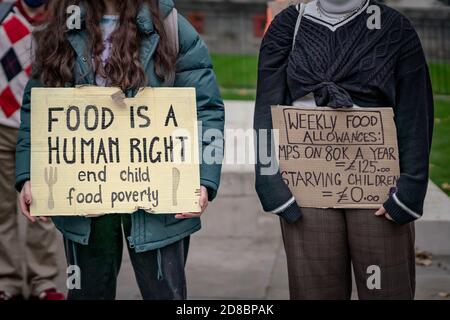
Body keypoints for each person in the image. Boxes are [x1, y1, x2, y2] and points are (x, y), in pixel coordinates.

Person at [15, 0, 224, 300]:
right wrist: (29, 174)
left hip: (158, 202)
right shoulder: (64, 26)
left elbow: (207, 109)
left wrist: (204, 179)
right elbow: (38, 110)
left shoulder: (170, 26)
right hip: (84, 199)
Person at [254, 0, 433, 299]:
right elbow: (266, 110)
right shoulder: (288, 25)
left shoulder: (394, 27)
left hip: (378, 187)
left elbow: (416, 112)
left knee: (385, 292)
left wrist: (410, 189)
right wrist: (269, 179)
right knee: (316, 293)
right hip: (306, 186)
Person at [0, 0, 65, 301]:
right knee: (2, 211)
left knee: (43, 206)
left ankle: (44, 281)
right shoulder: (4, 14)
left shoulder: (61, 20)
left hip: (42, 127)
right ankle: (7, 281)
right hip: (2, 125)